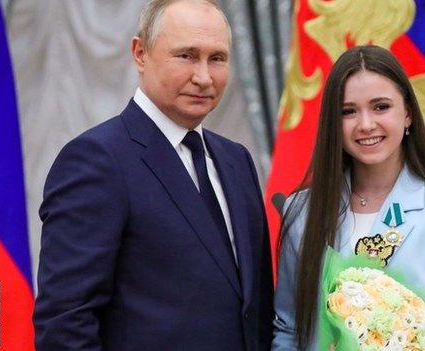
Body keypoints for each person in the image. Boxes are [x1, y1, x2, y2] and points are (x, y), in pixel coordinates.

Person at [33, 1, 273, 350]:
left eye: (217, 58)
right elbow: (65, 321)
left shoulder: (236, 161)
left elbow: (255, 306)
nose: (204, 77)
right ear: (140, 53)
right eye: (187, 56)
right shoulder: (96, 160)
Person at [271, 45, 425, 350]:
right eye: (348, 111)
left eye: (381, 107)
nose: (366, 124)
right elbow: (289, 329)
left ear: (407, 113)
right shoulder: (301, 211)